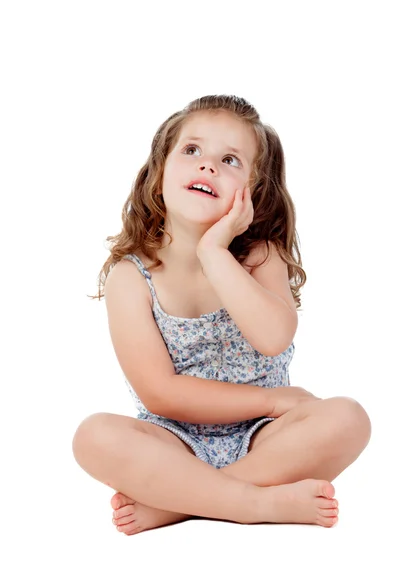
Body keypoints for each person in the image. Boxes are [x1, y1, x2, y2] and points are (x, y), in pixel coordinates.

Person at [72, 94, 371, 535]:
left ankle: (179, 505)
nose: (207, 165)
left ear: (254, 192)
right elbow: (159, 393)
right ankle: (251, 502)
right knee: (92, 437)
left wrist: (214, 249)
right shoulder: (130, 276)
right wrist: (272, 398)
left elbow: (273, 338)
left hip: (266, 435)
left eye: (230, 160)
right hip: (174, 441)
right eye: (191, 150)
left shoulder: (260, 257)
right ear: (159, 175)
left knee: (349, 418)